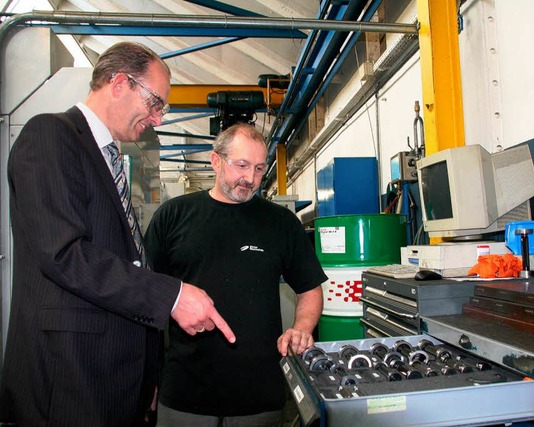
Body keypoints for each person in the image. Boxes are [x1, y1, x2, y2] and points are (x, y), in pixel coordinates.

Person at [1, 41, 235, 427]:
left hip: (113, 384)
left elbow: (125, 264)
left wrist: (146, 377)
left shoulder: (109, 158)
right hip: (67, 386)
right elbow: (64, 254)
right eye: (156, 102)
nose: (158, 119)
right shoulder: (50, 136)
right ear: (119, 83)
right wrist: (172, 296)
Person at [144, 123, 327, 426]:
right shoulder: (173, 216)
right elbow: (147, 294)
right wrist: (145, 375)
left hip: (258, 396)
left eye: (258, 169)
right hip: (184, 393)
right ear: (216, 161)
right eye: (241, 166)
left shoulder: (281, 223)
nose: (250, 179)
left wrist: (302, 328)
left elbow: (310, 288)